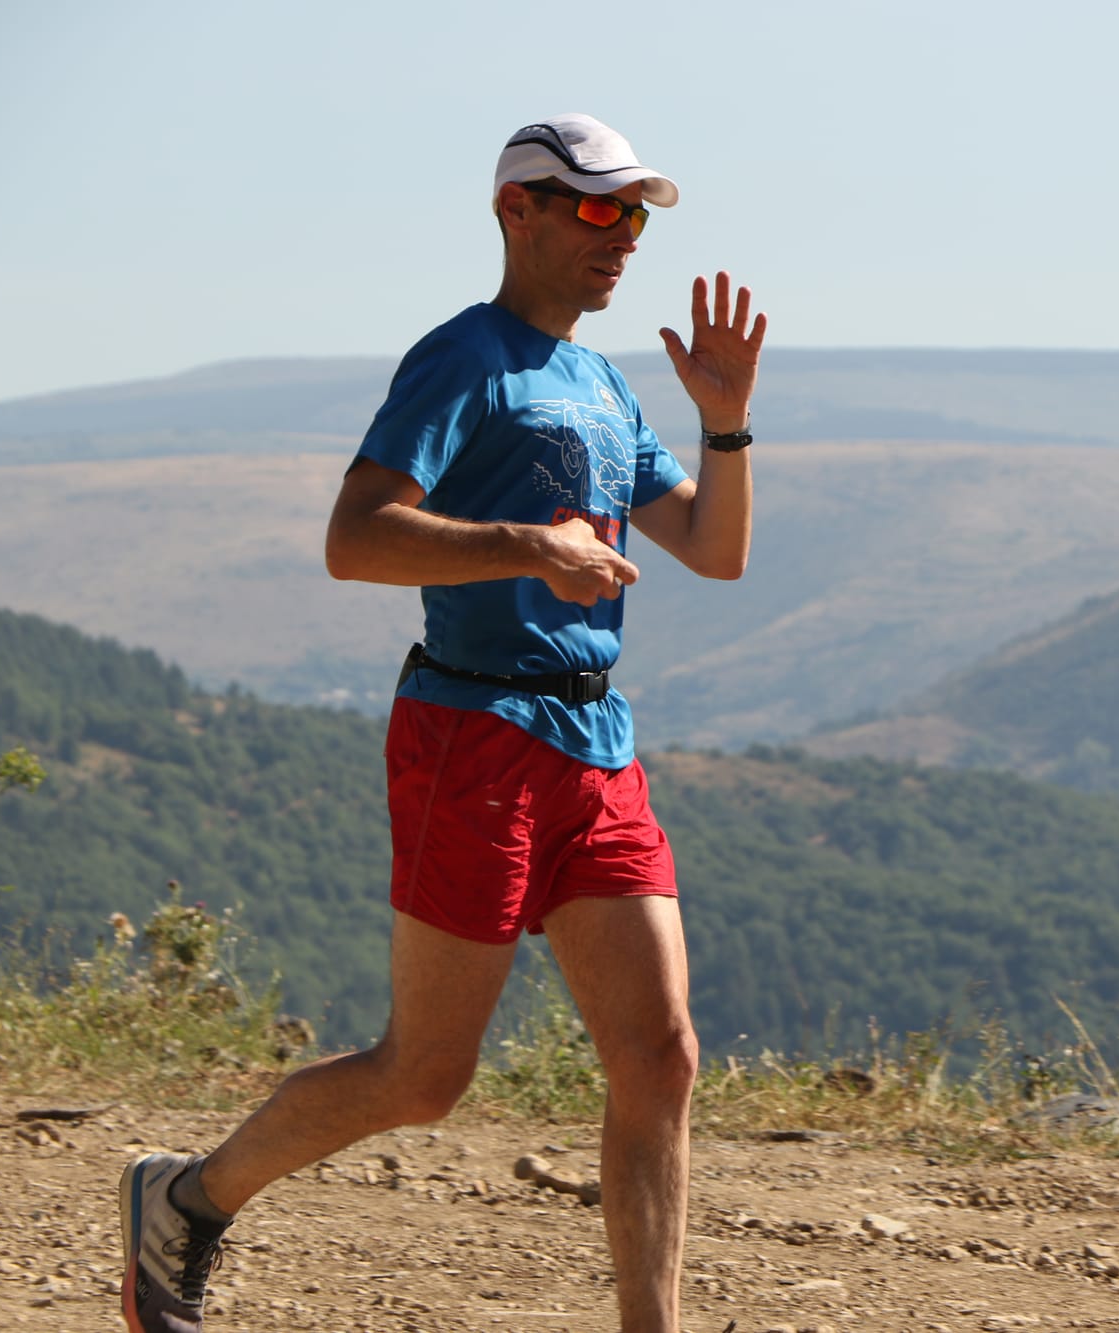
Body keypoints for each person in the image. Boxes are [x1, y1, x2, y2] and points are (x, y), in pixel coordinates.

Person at [120, 112, 765, 1333]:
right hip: (473, 741)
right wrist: (524, 545)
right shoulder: (463, 358)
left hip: (595, 745)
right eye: (594, 209)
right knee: (423, 1077)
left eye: (632, 214)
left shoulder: (601, 382)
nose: (620, 236)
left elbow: (715, 551)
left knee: (661, 1055)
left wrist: (724, 419)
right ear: (513, 209)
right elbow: (353, 537)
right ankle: (190, 1199)